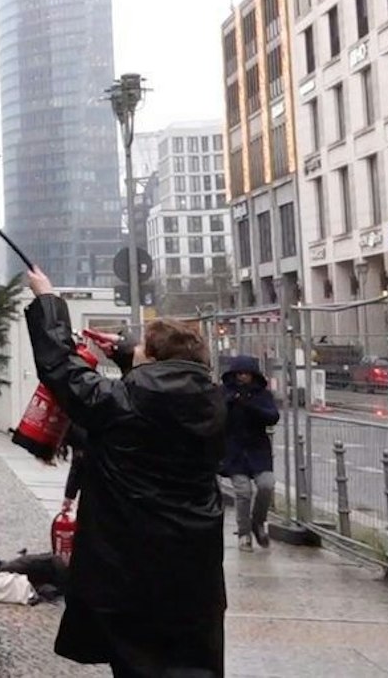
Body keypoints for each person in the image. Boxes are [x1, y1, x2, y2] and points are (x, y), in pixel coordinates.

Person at [24, 268, 228, 678]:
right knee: (191, 662)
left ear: (150, 359)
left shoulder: (121, 403)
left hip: (132, 567)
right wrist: (126, 351)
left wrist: (47, 298)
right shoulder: (214, 403)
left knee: (139, 663)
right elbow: (160, 384)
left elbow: (63, 370)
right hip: (195, 568)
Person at [219, 355, 279, 552]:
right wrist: (230, 403)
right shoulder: (225, 392)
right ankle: (244, 532)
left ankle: (258, 522)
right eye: (238, 373)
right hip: (235, 450)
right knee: (243, 492)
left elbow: (272, 416)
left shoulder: (262, 395)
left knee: (266, 485)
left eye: (245, 373)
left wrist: (250, 406)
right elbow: (216, 415)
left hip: (258, 450)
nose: (242, 377)